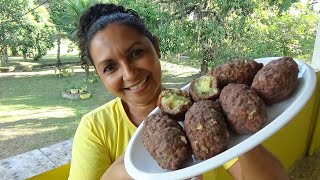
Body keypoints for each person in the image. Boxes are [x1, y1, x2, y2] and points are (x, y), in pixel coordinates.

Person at [68, 3, 289, 180]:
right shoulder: (95, 128)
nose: (129, 74)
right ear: (100, 76)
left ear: (156, 47)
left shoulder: (203, 112)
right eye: (110, 67)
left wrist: (238, 124)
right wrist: (133, 163)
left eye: (136, 53)